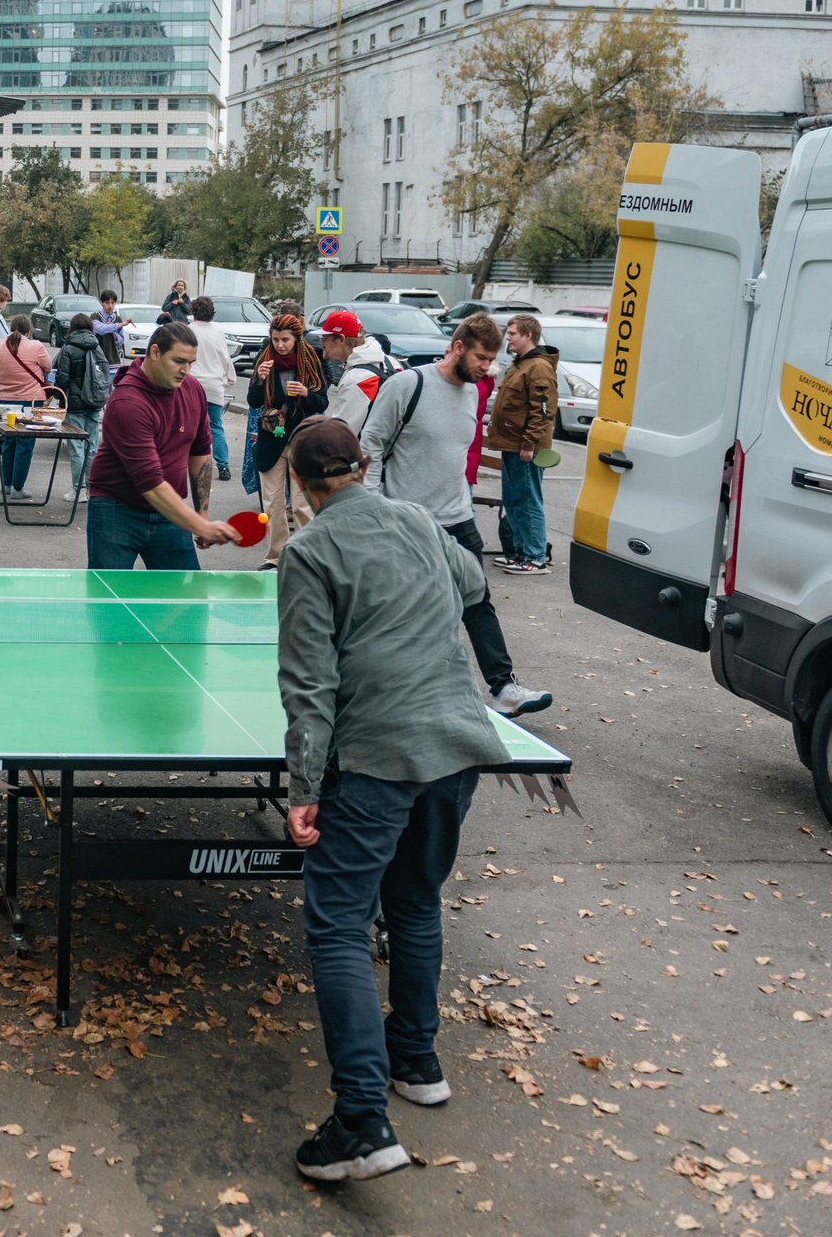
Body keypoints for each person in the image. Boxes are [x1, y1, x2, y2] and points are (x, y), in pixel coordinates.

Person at [274, 416, 506, 1186]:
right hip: (455, 748)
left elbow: (310, 682)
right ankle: (418, 1061)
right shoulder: (412, 517)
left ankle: (362, 1124)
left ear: (301, 483)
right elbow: (474, 584)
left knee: (338, 926)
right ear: (365, 464)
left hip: (376, 758)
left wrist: (303, 789)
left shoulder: (308, 550)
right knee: (413, 904)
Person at [358, 312, 552, 718]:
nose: (487, 367)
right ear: (458, 347)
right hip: (406, 520)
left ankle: (504, 688)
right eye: (481, 357)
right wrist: (374, 506)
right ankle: (384, 689)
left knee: (477, 601)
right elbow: (371, 445)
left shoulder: (473, 391)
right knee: (401, 610)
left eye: (492, 359)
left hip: (458, 518)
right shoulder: (408, 385)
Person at [85, 324, 238, 569]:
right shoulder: (127, 402)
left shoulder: (193, 389)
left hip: (169, 510)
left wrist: (201, 514)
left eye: (191, 363)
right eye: (179, 361)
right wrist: (202, 528)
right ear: (155, 352)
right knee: (109, 599)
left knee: (188, 600)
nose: (185, 370)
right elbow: (151, 483)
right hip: (116, 509)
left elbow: (200, 452)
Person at [247, 314, 332, 567]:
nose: (280, 344)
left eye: (285, 340)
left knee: (302, 504)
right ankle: (276, 558)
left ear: (297, 338)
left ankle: (306, 557)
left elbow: (322, 402)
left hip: (302, 440)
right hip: (271, 437)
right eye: (275, 339)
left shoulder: (312, 360)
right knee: (272, 504)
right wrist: (260, 380)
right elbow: (253, 402)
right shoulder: (264, 359)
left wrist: (307, 393)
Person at [487, 315, 559, 574]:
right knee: (514, 500)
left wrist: (529, 444)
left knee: (528, 501)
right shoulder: (521, 364)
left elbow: (542, 411)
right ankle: (519, 553)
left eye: (513, 333)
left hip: (525, 448)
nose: (508, 337)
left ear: (529, 335)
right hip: (512, 444)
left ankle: (535, 557)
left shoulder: (538, 367)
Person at [0, 315, 53, 501]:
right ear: (29, 331)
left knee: (9, 441)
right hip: (29, 401)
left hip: (5, 400)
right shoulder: (36, 346)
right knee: (25, 445)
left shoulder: (0, 345)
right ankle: (18, 487)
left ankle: (7, 484)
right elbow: (48, 367)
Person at [50, 312, 110, 493]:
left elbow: (63, 378)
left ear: (72, 328)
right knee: (92, 446)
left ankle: (78, 489)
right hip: (93, 402)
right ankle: (92, 487)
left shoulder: (68, 348)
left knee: (76, 448)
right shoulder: (96, 347)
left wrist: (59, 397)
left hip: (74, 405)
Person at [185, 296, 235, 486]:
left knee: (189, 425)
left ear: (193, 311)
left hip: (191, 385)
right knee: (216, 427)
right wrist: (229, 379)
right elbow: (225, 358)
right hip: (214, 386)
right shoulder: (219, 332)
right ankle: (223, 465)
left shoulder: (187, 331)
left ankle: (186, 461)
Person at [317, 311, 386, 434]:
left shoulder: (357, 379)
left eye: (325, 339)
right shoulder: (388, 361)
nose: (322, 345)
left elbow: (341, 432)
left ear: (341, 339)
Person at [92, 290, 129, 368]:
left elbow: (120, 342)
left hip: (114, 360)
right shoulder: (95, 317)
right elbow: (101, 329)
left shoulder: (117, 319)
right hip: (97, 359)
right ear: (102, 303)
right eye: (107, 303)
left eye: (112, 303)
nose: (110, 306)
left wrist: (114, 334)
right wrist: (118, 325)